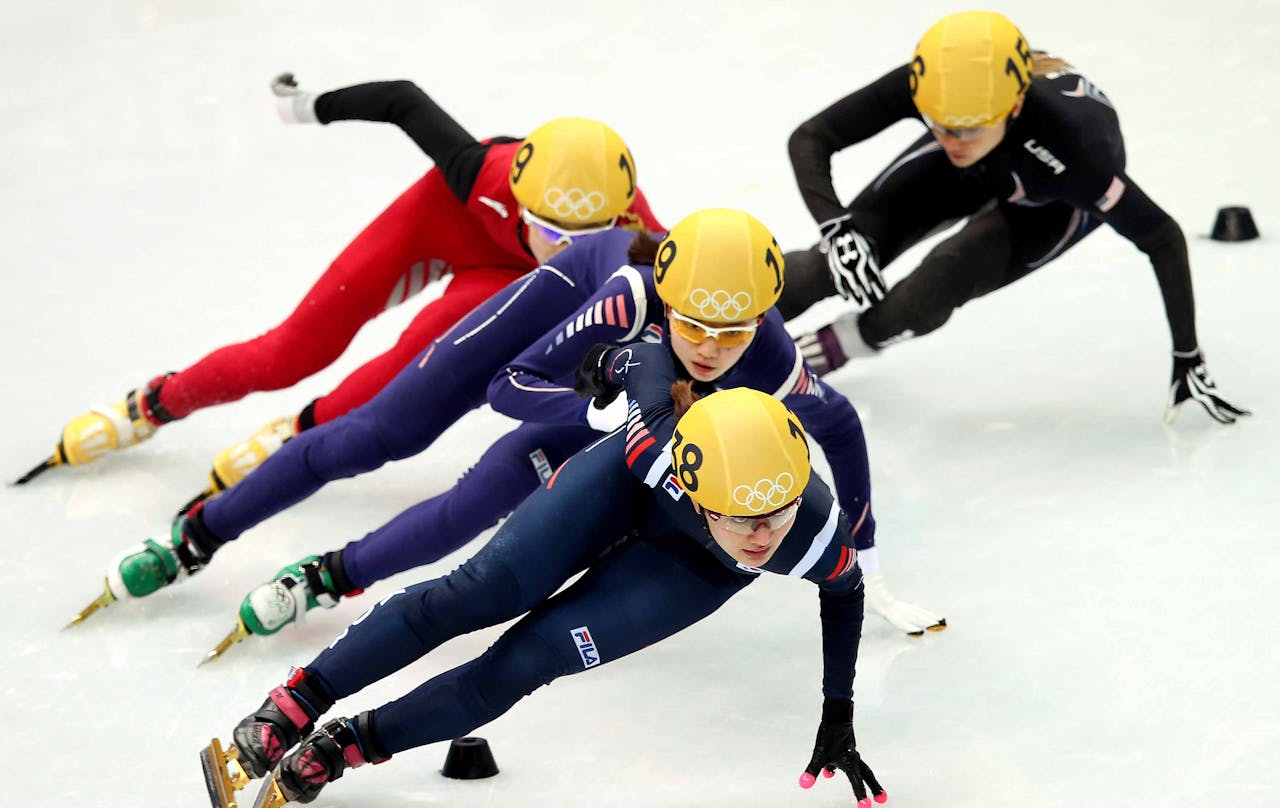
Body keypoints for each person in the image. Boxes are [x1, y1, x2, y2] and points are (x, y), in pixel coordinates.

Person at [72, 210, 943, 644]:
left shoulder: (767, 353)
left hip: (624, 401)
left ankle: (327, 576)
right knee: (382, 434)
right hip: (563, 339)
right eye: (695, 325)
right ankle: (198, 534)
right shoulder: (631, 297)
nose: (714, 348)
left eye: (735, 331)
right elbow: (509, 385)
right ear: (666, 303)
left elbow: (841, 427)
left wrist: (861, 549)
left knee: (478, 504)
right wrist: (601, 404)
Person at [199, 388, 887, 808]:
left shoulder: (817, 539)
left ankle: (349, 744)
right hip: (619, 485)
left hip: (693, 568)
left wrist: (838, 710)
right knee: (479, 592)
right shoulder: (658, 449)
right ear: (692, 486)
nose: (763, 536)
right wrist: (615, 362)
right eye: (742, 518)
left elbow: (845, 594)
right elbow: (638, 356)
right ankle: (295, 702)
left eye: (778, 514)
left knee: (528, 661)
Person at [20, 73, 662, 489]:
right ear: (519, 202)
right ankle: (157, 402)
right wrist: (303, 106)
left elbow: (697, 275)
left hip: (503, 278)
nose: (566, 249)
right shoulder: (476, 170)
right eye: (552, 229)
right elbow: (402, 100)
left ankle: (297, 432)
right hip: (437, 225)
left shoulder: (637, 226)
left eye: (588, 237)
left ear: (619, 214)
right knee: (293, 350)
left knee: (414, 364)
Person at [781, 10, 1249, 425]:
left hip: (1049, 200)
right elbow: (811, 136)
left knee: (934, 287)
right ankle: (728, 327)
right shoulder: (942, 90)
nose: (952, 139)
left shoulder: (1079, 155)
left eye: (965, 129)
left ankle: (837, 345)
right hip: (988, 163)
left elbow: (1162, 236)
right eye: (937, 124)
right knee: (836, 261)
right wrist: (837, 230)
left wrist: (1187, 353)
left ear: (1016, 105)